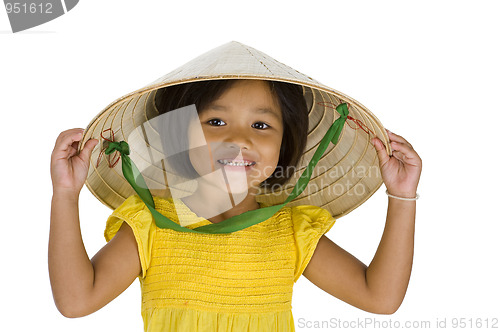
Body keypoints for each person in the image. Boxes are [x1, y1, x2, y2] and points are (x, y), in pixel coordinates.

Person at [49, 42, 422, 332]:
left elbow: (381, 297)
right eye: (215, 121)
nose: (239, 139)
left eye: (261, 126)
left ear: (284, 145)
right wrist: (65, 195)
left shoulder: (290, 232)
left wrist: (402, 196)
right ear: (178, 135)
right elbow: (76, 301)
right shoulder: (151, 227)